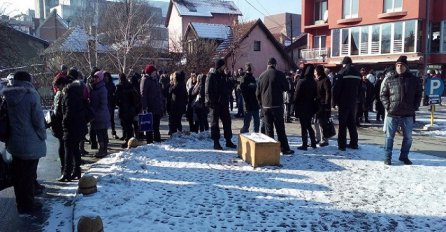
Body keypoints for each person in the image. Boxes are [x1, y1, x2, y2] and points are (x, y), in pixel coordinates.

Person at [2, 71, 47, 214]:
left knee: (18, 175)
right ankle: (28, 205)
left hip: (14, 143)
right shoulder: (31, 95)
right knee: (28, 175)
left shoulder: (7, 96)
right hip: (30, 142)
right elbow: (38, 120)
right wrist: (42, 135)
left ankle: (20, 203)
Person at [380, 55, 422, 165]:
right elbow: (383, 95)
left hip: (408, 114)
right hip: (392, 114)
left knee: (408, 138)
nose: (399, 67)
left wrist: (415, 107)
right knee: (389, 138)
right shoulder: (390, 79)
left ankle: (404, 156)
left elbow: (419, 94)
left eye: (401, 65)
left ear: (406, 67)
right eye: (397, 65)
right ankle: (387, 157)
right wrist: (388, 106)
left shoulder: (413, 80)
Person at [256, 57, 294, 155]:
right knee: (280, 128)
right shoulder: (280, 74)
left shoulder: (261, 76)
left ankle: (271, 150)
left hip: (265, 107)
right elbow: (286, 87)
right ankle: (284, 148)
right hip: (277, 105)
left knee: (269, 129)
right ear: (275, 65)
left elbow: (257, 93)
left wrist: (261, 104)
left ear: (267, 65)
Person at [205, 59, 237, 150]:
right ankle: (216, 142)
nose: (224, 67)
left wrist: (230, 85)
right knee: (215, 123)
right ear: (219, 66)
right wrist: (211, 102)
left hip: (224, 103)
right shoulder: (211, 76)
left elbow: (226, 88)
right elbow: (207, 91)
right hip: (214, 104)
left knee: (227, 121)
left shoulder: (223, 75)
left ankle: (228, 140)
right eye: (223, 66)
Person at [332, 56, 362, 151]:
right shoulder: (358, 73)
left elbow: (336, 89)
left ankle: (342, 145)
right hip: (353, 102)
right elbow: (361, 89)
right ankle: (354, 143)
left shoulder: (342, 72)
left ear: (344, 64)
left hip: (343, 101)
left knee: (343, 124)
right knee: (352, 123)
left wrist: (334, 101)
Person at [293, 64, 318, 150]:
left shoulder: (301, 81)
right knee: (309, 125)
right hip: (311, 106)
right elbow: (316, 95)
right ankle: (313, 142)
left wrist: (294, 104)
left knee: (304, 126)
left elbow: (296, 95)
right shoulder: (314, 82)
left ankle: (304, 144)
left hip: (302, 106)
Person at [140, 64, 164, 143]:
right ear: (150, 72)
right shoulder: (145, 79)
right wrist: (144, 106)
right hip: (150, 106)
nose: (155, 73)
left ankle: (157, 141)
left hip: (156, 106)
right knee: (149, 127)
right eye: (154, 72)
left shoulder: (155, 79)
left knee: (156, 126)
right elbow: (143, 94)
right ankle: (149, 142)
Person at [115, 73, 139, 148]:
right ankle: (131, 140)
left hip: (123, 109)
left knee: (126, 126)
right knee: (130, 126)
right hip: (131, 109)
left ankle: (129, 141)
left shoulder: (119, 87)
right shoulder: (130, 86)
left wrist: (119, 104)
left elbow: (115, 99)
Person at [314, 65, 332, 147]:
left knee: (322, 123)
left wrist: (327, 106)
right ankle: (317, 138)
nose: (314, 73)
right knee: (316, 122)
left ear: (318, 72)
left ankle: (325, 140)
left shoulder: (325, 80)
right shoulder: (317, 80)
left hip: (323, 105)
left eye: (315, 71)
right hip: (317, 105)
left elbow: (328, 94)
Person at [239, 63, 260, 133]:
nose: (254, 69)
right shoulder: (244, 79)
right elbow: (243, 92)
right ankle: (243, 137)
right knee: (246, 124)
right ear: (249, 69)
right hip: (248, 105)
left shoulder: (253, 78)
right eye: (253, 68)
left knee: (257, 123)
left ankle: (256, 137)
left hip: (255, 104)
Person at [104, 72, 118, 139]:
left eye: (107, 76)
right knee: (105, 120)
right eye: (105, 76)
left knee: (112, 120)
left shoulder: (111, 84)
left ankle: (113, 132)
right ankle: (105, 135)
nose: (106, 77)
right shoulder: (102, 85)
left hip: (111, 103)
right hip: (104, 104)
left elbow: (115, 93)